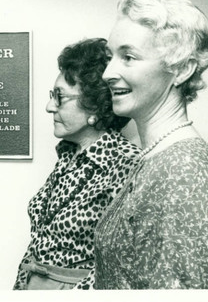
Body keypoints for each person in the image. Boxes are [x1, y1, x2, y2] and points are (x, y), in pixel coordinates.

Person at [94, 0, 208, 289]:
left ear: (181, 69)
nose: (108, 73)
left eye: (129, 57)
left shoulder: (183, 172)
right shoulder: (158, 156)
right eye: (112, 56)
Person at [13, 38, 141, 290]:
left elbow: (123, 263)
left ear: (93, 106)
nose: (49, 106)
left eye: (59, 97)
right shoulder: (68, 156)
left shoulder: (126, 163)